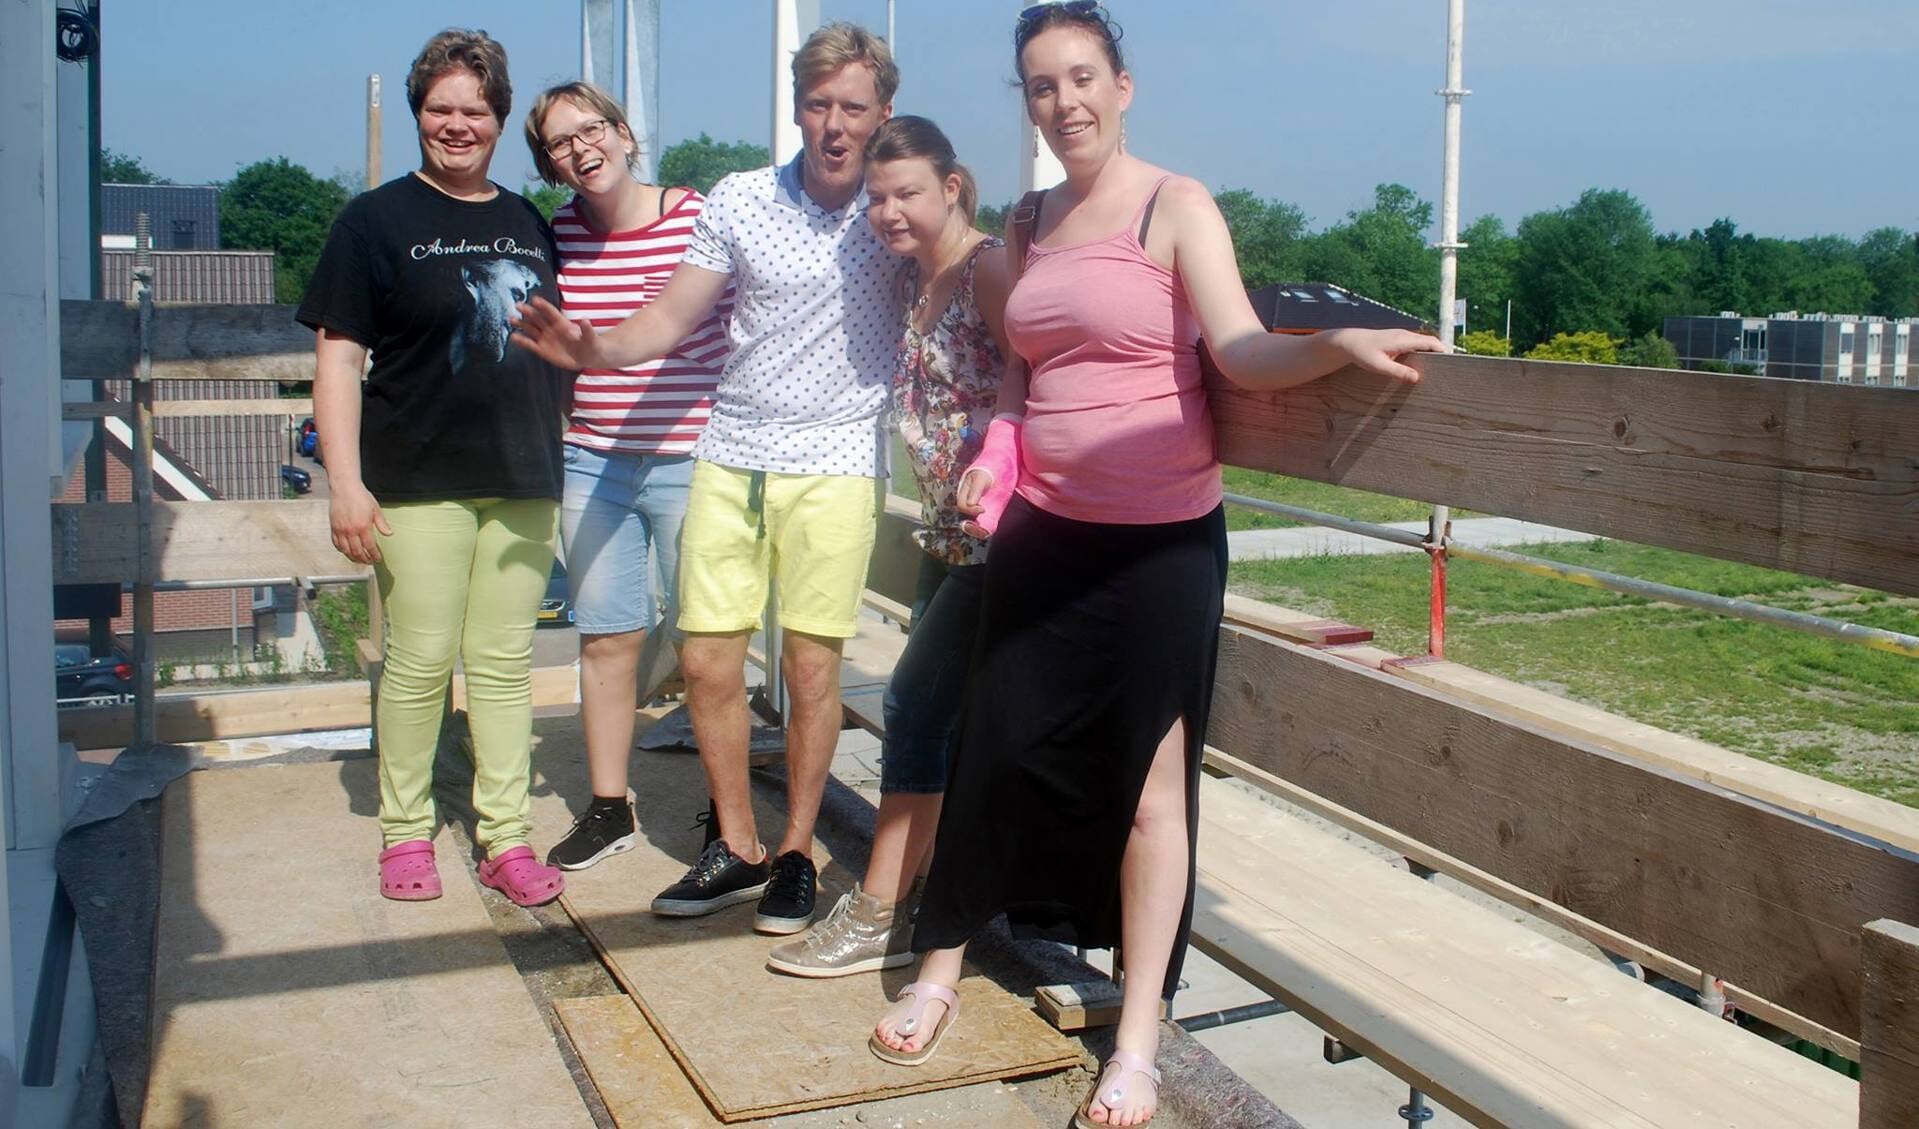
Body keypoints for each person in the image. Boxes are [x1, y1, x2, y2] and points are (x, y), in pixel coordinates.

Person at [867, 6, 1446, 1127]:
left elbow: (1234, 349)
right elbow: (1023, 379)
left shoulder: (1173, 205)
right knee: (990, 750)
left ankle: (1136, 1038)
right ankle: (935, 969)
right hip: (1040, 531)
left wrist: (1332, 346)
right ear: (1025, 102)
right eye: (1039, 85)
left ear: (1121, 86)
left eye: (1081, 77)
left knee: (1150, 796)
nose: (1063, 101)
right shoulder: (1025, 227)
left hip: (1160, 546)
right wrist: (1000, 447)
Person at [511, 23, 900, 936]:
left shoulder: (892, 207)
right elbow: (671, 318)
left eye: (853, 106)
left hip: (836, 460)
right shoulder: (741, 198)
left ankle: (797, 850)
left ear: (882, 111)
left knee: (810, 667)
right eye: (817, 104)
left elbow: (970, 268)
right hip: (729, 450)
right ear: (796, 107)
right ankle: (736, 844)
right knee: (703, 660)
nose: (834, 124)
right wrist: (592, 348)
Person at [299, 28, 569, 907]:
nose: (457, 125)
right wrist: (345, 481)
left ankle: (506, 835)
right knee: (418, 658)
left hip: (523, 472)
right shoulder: (373, 221)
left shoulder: (530, 221)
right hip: (414, 475)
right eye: (440, 109)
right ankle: (404, 830)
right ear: (421, 112)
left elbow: (563, 342)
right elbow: (337, 361)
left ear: (498, 119)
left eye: (475, 111)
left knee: (500, 660)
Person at [767, 116, 1009, 977]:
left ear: (951, 186)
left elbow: (1039, 376)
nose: (888, 211)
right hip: (941, 535)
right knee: (941, 720)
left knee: (911, 706)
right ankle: (930, 892)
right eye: (876, 197)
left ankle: (879, 909)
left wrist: (1002, 476)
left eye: (906, 192)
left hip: (996, 541)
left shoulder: (989, 268)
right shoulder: (919, 275)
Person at [522, 81, 733, 871]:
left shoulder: (693, 215)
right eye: (559, 143)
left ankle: (728, 814)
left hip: (692, 459)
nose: (581, 149)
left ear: (624, 133)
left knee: (707, 643)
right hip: (594, 460)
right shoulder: (558, 235)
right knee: (607, 635)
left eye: (591, 130)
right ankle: (610, 807)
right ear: (549, 164)